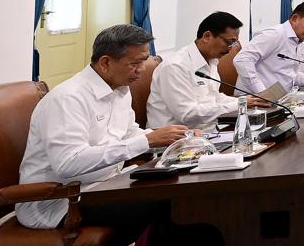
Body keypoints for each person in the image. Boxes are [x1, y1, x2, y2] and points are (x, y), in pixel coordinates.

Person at [17, 25, 189, 230]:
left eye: (144, 61)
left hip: (103, 185)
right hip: (59, 202)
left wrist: (173, 138)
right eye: (135, 63)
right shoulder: (68, 99)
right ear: (106, 62)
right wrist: (146, 141)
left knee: (182, 191)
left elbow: (129, 133)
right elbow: (68, 163)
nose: (142, 70)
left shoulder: (120, 89)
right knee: (172, 206)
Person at [148, 11, 269, 130]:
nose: (230, 49)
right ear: (207, 36)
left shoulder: (211, 61)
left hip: (207, 133)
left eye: (234, 44)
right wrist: (238, 105)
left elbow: (214, 98)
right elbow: (186, 114)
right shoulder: (175, 66)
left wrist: (245, 101)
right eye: (229, 42)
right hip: (175, 142)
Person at [234, 1, 304, 93]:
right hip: (254, 100)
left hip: (280, 100)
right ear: (295, 19)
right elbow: (242, 60)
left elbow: (288, 74)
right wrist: (263, 93)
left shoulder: (300, 41)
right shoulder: (274, 34)